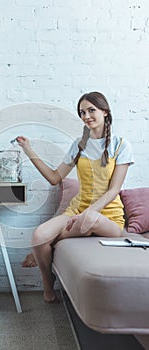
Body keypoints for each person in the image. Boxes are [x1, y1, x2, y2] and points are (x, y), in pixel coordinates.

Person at [17, 91, 134, 303]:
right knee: (38, 236)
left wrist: (91, 212)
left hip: (108, 218)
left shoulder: (121, 145)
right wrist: (29, 151)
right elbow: (54, 178)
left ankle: (45, 248)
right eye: (82, 112)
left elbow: (114, 189)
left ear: (105, 112)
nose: (86, 116)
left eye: (92, 110)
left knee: (89, 221)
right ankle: (47, 283)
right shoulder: (79, 145)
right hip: (77, 211)